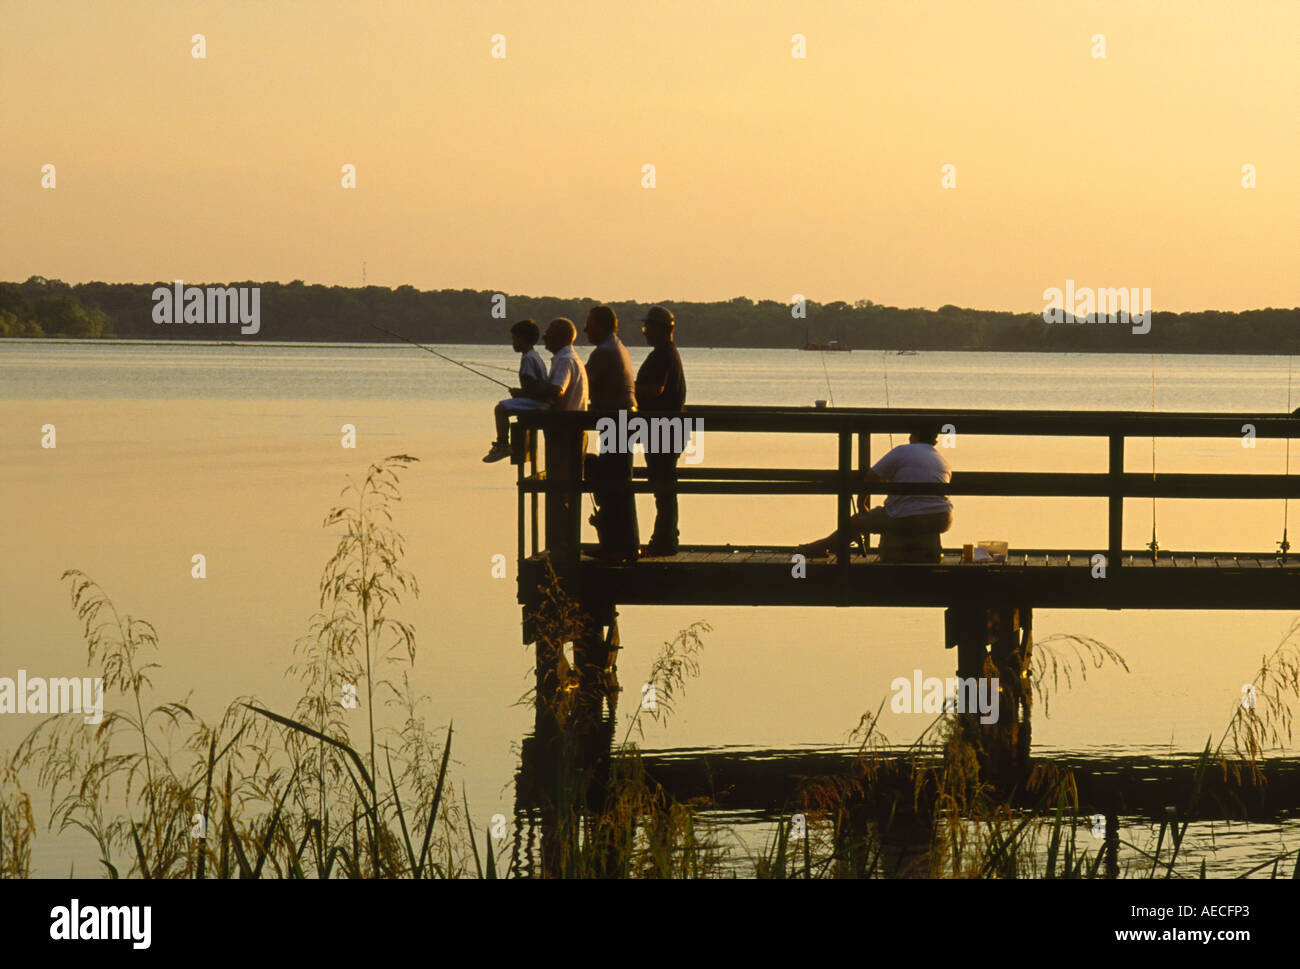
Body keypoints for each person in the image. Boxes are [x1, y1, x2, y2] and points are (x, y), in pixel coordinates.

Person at [796, 425, 953, 557]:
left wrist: (861, 503)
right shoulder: (942, 460)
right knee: (885, 513)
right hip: (942, 519)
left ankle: (817, 548)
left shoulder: (902, 451)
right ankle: (827, 546)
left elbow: (871, 477)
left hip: (907, 517)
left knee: (856, 522)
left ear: (915, 436)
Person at [583, 305, 640, 561]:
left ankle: (617, 547)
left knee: (612, 484)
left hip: (616, 422)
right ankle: (622, 544)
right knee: (618, 484)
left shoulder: (603, 352)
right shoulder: (619, 347)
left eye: (589, 324)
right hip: (623, 421)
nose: (585, 329)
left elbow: (583, 385)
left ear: (602, 325)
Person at [635, 305, 687, 556]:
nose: (644, 332)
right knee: (664, 485)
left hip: (663, 429)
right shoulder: (669, 353)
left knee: (663, 485)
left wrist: (627, 392)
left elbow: (654, 390)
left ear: (661, 329)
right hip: (669, 429)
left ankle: (665, 540)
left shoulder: (661, 356)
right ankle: (666, 537)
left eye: (648, 326)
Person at [482, 319, 548, 463]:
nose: (512, 342)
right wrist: (520, 392)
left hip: (538, 403)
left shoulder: (528, 359)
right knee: (504, 407)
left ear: (522, 339)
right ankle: (503, 444)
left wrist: (519, 393)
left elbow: (532, 388)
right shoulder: (534, 356)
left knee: (500, 409)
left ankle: (503, 444)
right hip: (541, 401)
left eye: (514, 339)